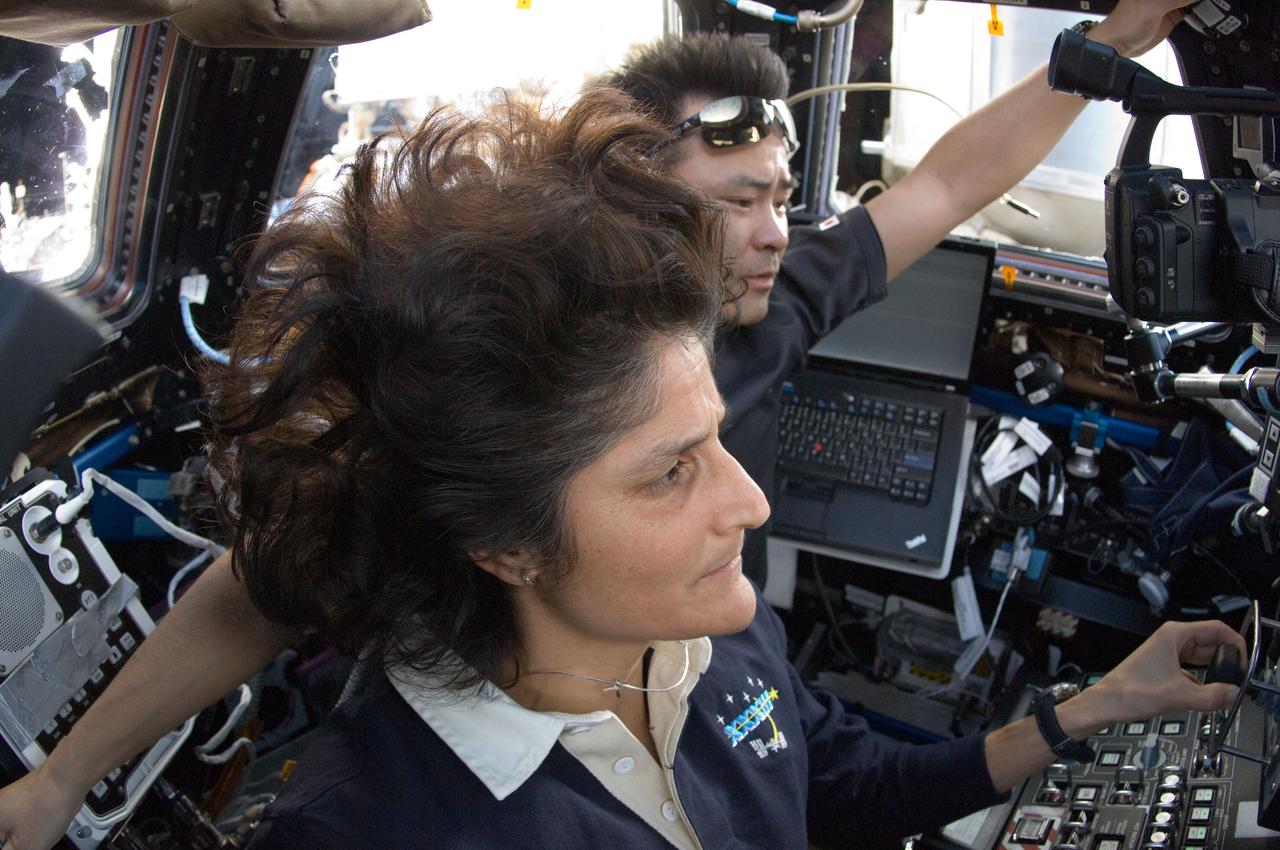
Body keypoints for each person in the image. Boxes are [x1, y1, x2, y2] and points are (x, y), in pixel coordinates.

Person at [0, 3, 1204, 846]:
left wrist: (1097, 52)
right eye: (740, 200)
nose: (775, 234)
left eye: (783, 198)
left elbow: (942, 183)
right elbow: (266, 583)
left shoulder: (722, 624)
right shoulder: (479, 417)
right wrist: (60, 783)